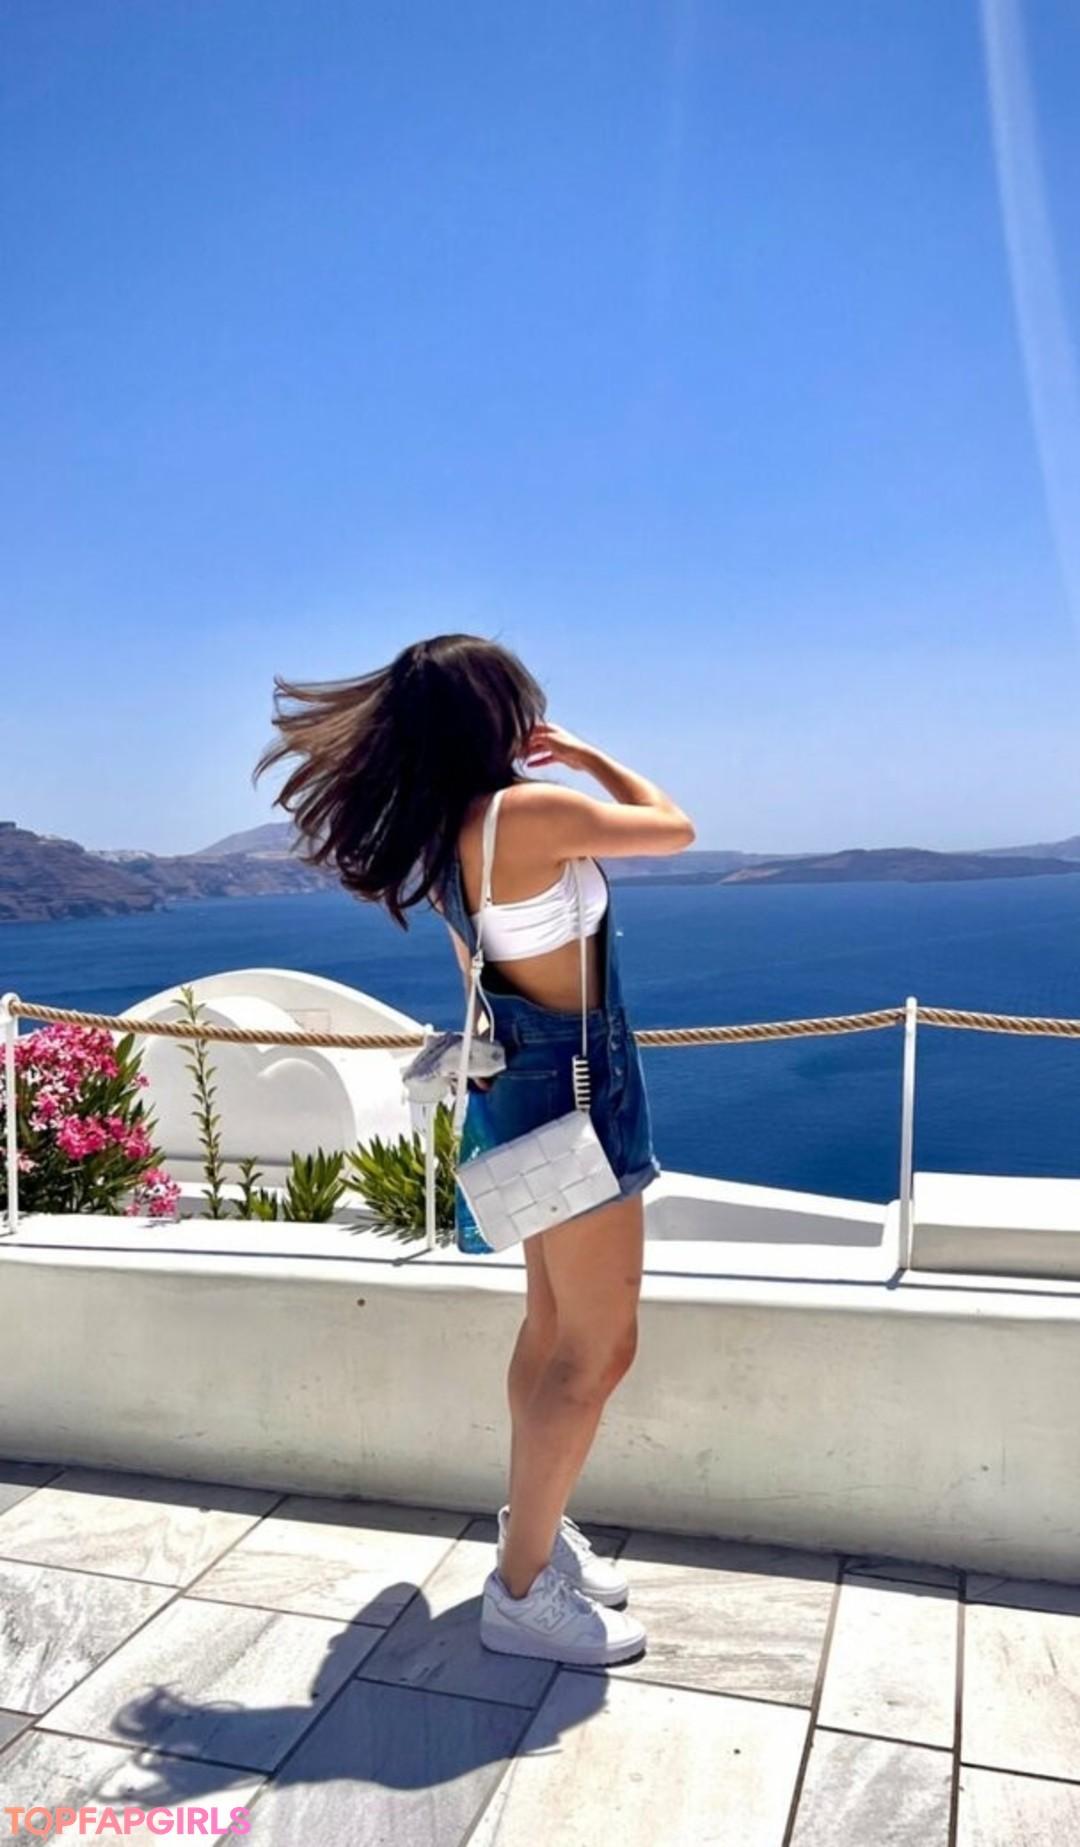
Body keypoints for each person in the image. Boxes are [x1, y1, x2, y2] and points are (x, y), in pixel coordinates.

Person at [252, 633, 695, 1667]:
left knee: (551, 1328)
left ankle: (534, 1529)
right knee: (598, 1348)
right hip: (581, 1084)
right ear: (493, 714)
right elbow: (674, 827)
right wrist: (586, 755)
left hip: (524, 1081)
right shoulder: (526, 813)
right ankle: (523, 1590)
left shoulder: (452, 832)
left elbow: (486, 972)